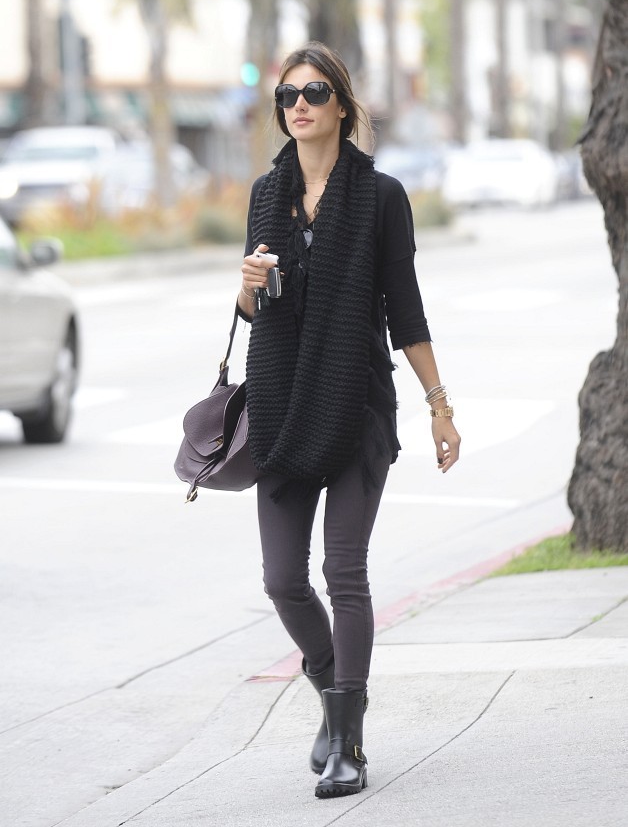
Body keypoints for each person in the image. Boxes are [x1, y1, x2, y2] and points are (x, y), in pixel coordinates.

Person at [237, 41, 460, 799]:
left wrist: (439, 406)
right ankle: (338, 694)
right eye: (287, 96)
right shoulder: (266, 195)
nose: (299, 105)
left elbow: (406, 311)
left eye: (314, 93)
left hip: (356, 402)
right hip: (280, 405)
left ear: (341, 105)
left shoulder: (381, 196)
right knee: (281, 581)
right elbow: (253, 311)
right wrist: (246, 287)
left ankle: (346, 743)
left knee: (344, 572)